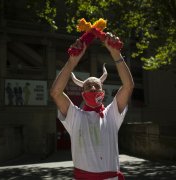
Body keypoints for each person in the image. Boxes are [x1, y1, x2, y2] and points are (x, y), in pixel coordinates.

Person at [50, 32, 134, 180]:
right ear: (83, 94)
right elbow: (56, 93)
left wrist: (116, 53)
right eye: (88, 86)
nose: (93, 89)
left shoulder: (111, 114)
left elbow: (128, 86)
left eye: (96, 86)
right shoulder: (75, 116)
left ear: (102, 92)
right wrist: (72, 61)